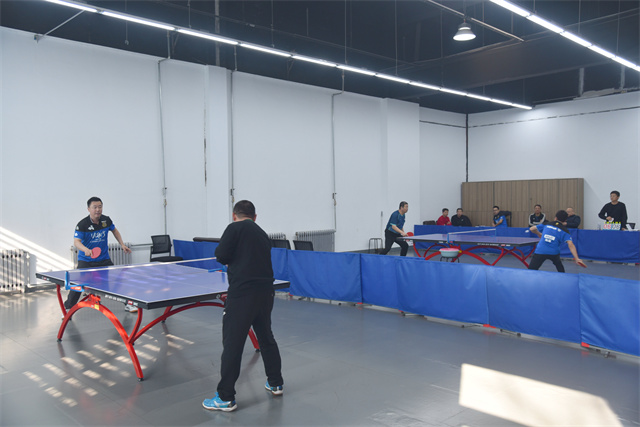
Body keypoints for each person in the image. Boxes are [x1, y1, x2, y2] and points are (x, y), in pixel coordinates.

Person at [203, 200, 283, 412]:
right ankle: (275, 383)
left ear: (234, 215)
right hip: (266, 293)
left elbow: (221, 255)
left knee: (233, 343)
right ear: (255, 217)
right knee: (266, 337)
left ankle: (225, 397)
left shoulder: (234, 228)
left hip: (243, 295)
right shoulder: (262, 233)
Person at [64, 197, 132, 312]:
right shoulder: (82, 224)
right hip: (86, 260)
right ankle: (68, 308)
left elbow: (115, 231)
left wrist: (122, 244)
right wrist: (85, 249)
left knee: (116, 281)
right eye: (94, 207)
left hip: (103, 259)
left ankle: (128, 304)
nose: (97, 210)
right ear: (88, 209)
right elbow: (76, 242)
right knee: (78, 285)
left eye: (100, 207)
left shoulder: (106, 220)